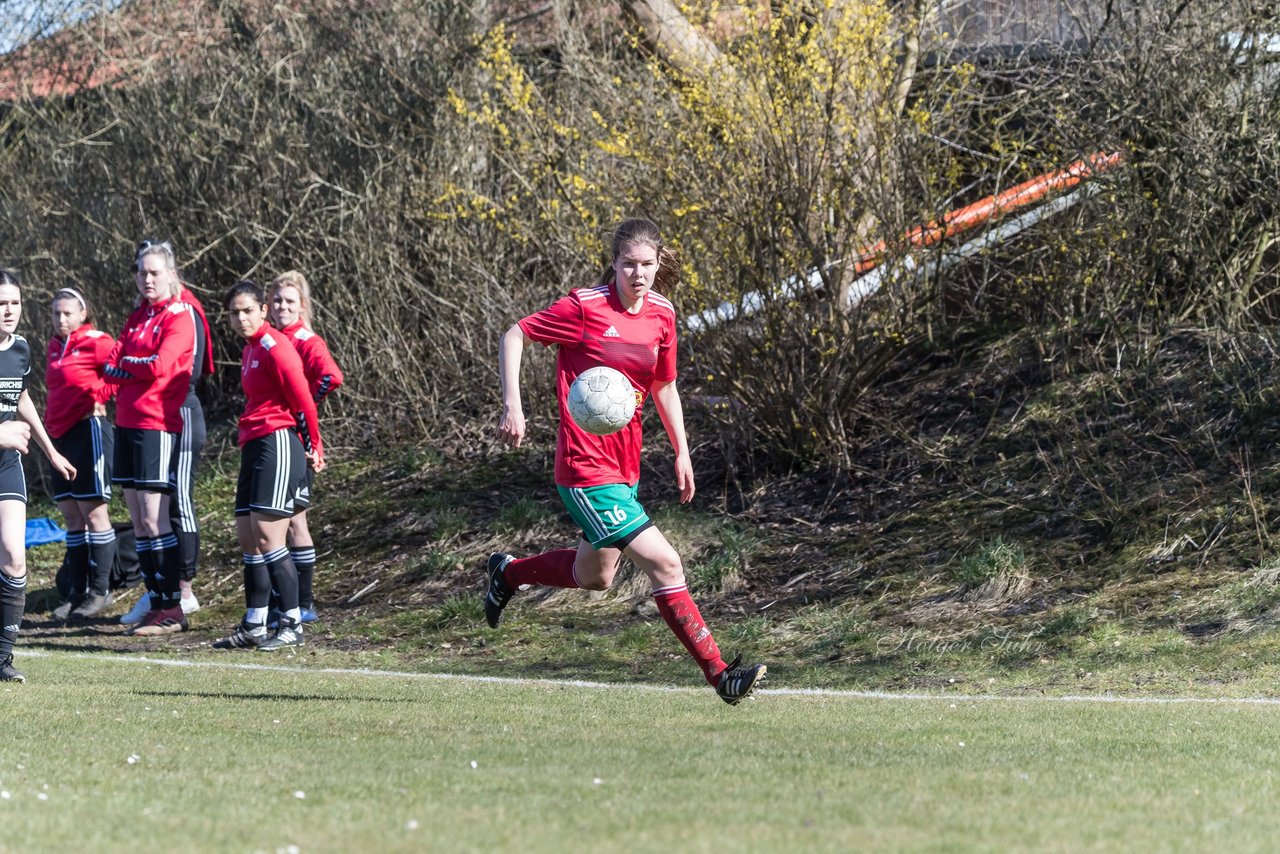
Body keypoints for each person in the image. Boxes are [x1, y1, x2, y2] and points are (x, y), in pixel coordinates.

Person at [484, 218, 767, 705]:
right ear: (613, 263)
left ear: (659, 264)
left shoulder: (661, 314)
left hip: (625, 467)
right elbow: (515, 335)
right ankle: (722, 675)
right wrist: (514, 404)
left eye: (647, 265)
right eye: (629, 265)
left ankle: (507, 573)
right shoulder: (584, 308)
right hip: (584, 468)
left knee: (595, 576)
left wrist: (681, 450)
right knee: (666, 562)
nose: (638, 274)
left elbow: (664, 385)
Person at [213, 280, 324, 651]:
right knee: (248, 539)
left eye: (248, 310)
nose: (241, 318)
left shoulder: (276, 346)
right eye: (235, 312)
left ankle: (291, 622)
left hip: (278, 442)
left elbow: (304, 399)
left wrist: (315, 445)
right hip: (254, 444)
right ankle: (254, 624)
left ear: (263, 310)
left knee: (268, 536)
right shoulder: (250, 350)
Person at [104, 239, 196, 636]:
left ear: (171, 274)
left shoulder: (180, 315)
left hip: (156, 423)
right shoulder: (137, 316)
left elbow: (159, 366)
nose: (147, 278)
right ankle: (156, 602)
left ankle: (172, 608)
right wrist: (129, 366)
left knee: (156, 520)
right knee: (139, 521)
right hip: (125, 422)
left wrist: (128, 366)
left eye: (155, 271)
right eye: (142, 272)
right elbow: (109, 366)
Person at [0, 270, 77, 682]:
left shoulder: (21, 349)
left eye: (14, 302)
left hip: (6, 467)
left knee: (14, 556)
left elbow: (21, 395)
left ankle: (2, 659)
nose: (8, 310)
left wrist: (50, 450)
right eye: (1, 303)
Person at [267, 270, 343, 622]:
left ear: (302, 306)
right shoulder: (269, 339)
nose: (282, 306)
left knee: (293, 523)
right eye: (277, 300)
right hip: (274, 441)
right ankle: (285, 601)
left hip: (298, 443)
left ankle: (304, 602)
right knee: (281, 521)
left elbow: (332, 376)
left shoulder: (306, 340)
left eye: (289, 301)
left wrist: (302, 406)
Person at [44, 287, 118, 622]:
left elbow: (125, 370)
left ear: (83, 313)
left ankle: (98, 593)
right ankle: (76, 593)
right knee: (72, 518)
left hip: (89, 430)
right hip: (60, 438)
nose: (61, 319)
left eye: (68, 313)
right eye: (56, 313)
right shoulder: (54, 346)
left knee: (94, 515)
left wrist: (100, 394)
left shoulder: (98, 340)